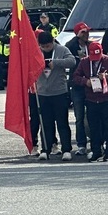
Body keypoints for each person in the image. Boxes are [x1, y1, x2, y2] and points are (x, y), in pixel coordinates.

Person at [72, 41, 108, 162]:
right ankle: (96, 151)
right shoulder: (84, 62)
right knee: (93, 127)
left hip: (106, 98)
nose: (95, 60)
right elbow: (75, 77)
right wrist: (85, 81)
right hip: (91, 99)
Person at [32, 30, 76, 161]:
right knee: (45, 123)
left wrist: (55, 62)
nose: (46, 48)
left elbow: (72, 61)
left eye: (48, 46)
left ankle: (66, 149)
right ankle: (46, 149)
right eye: (43, 46)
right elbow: (29, 65)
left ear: (53, 42)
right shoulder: (36, 51)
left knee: (62, 122)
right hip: (43, 93)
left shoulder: (62, 49)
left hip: (59, 92)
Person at [65, 21, 91, 155]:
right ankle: (81, 144)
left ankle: (95, 141)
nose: (87, 34)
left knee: (93, 114)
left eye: (87, 31)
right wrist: (76, 38)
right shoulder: (71, 46)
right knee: (79, 116)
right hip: (77, 86)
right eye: (83, 32)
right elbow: (65, 49)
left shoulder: (91, 45)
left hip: (91, 85)